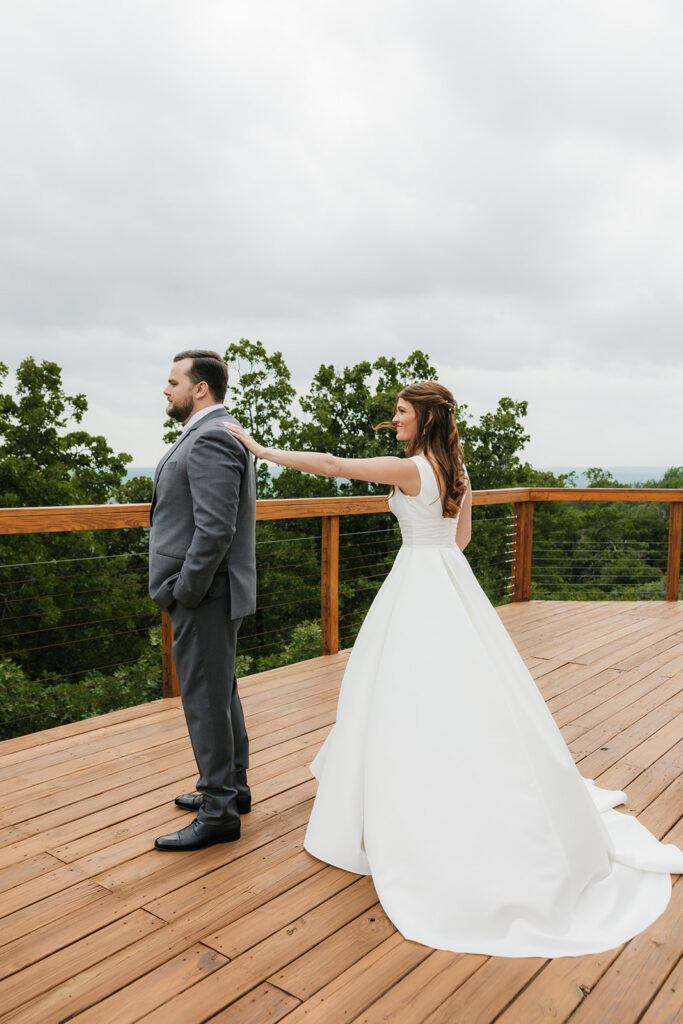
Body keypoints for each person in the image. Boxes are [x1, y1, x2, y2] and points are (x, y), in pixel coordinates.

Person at [223, 379, 683, 957]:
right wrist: (433, 551)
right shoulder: (458, 474)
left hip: (416, 578)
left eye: (401, 413)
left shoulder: (412, 468)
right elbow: (460, 539)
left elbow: (334, 463)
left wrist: (261, 451)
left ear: (425, 420)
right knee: (462, 692)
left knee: (399, 692)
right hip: (446, 578)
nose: (395, 421)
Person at [148, 350, 256, 851]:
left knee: (205, 701)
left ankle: (218, 812)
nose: (165, 390)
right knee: (220, 691)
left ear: (200, 389)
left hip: (204, 594)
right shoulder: (212, 432)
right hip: (210, 592)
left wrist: (183, 591)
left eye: (173, 382)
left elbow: (215, 529)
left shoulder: (211, 436)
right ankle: (232, 788)